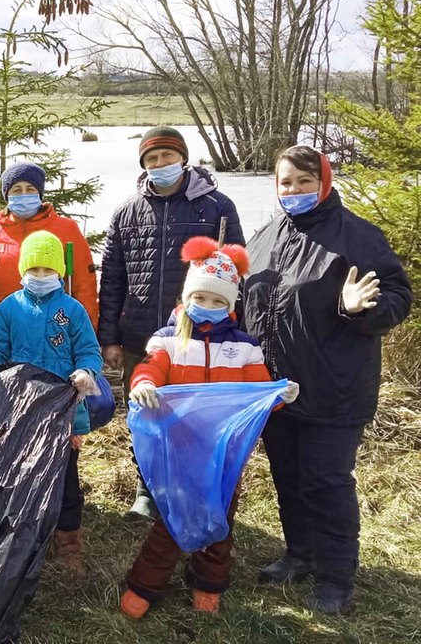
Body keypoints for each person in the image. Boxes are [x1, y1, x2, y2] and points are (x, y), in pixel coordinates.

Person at [243, 145, 412, 614]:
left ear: (324, 182)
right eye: (285, 183)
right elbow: (246, 298)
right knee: (288, 476)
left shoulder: (356, 236)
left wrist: (359, 308)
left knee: (326, 480)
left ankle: (336, 579)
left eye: (304, 181)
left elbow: (398, 295)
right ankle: (300, 554)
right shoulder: (265, 236)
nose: (293, 191)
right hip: (275, 390)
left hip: (334, 386)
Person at [119, 237, 299, 619]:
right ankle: (145, 584)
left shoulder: (244, 348)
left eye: (220, 301)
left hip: (223, 454)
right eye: (202, 298)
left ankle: (208, 582)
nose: (209, 307)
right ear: (187, 298)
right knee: (172, 520)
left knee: (219, 518)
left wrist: (280, 394)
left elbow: (257, 391)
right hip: (178, 451)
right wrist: (144, 384)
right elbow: (150, 367)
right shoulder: (168, 341)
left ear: (231, 304)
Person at [98, 125, 243, 519]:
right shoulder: (127, 211)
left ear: (183, 158)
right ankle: (148, 488)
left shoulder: (215, 207)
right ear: (143, 166)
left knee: (193, 416)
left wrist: (234, 332)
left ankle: (194, 486)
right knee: (145, 413)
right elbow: (112, 279)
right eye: (151, 159)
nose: (159, 164)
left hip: (199, 335)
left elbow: (234, 269)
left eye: (166, 156)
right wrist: (109, 336)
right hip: (140, 336)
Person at [0, 231, 103, 578]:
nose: (40, 277)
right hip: (20, 413)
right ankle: (28, 535)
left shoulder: (72, 310)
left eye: (47, 270)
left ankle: (69, 544)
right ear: (23, 270)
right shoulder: (11, 307)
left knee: (65, 481)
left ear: (59, 273)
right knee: (22, 478)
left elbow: (88, 351)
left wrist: (85, 371)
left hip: (62, 414)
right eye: (33, 270)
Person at [0, 161, 98, 326]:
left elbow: (84, 284)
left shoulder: (66, 228)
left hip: (55, 327)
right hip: (4, 328)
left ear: (40, 193)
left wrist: (87, 335)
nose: (24, 195)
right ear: (7, 195)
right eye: (17, 190)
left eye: (30, 189)